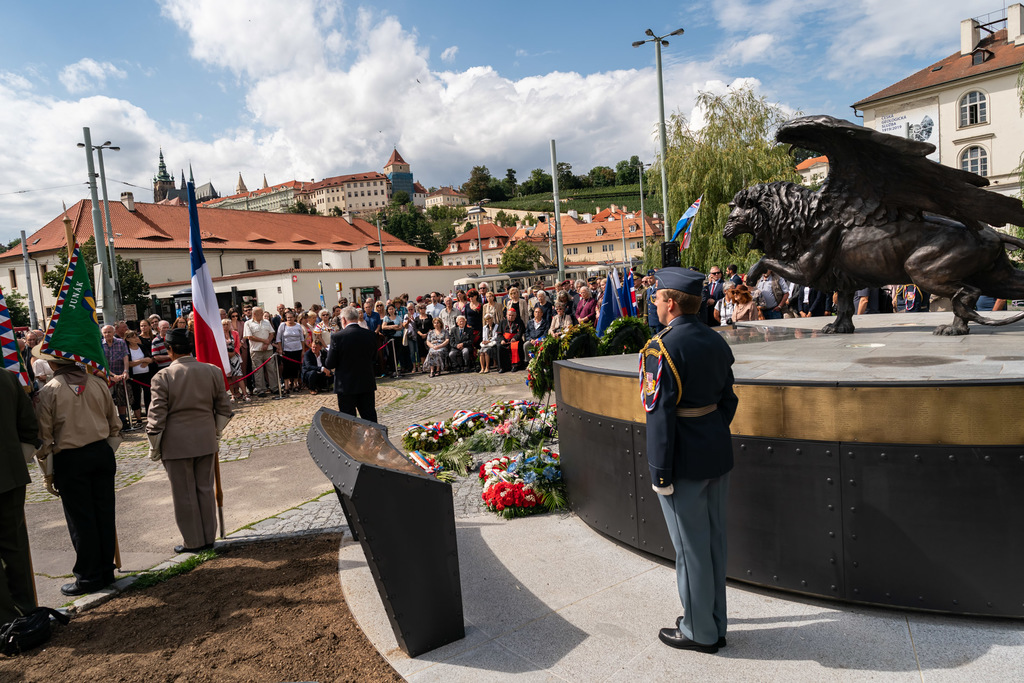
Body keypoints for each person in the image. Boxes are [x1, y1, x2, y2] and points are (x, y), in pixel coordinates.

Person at [640, 268, 737, 654]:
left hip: (682, 462)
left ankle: (699, 631)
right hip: (716, 451)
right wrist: (709, 432)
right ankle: (716, 622)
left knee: (690, 549)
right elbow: (728, 400)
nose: (657, 305)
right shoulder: (714, 341)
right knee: (714, 544)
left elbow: (659, 415)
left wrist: (660, 471)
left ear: (673, 303)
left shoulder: (660, 348)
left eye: (659, 299)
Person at [33, 346, 122, 596]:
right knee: (104, 513)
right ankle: (105, 569)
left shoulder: (49, 391)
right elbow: (115, 424)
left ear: (53, 365)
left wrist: (47, 474)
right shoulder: (97, 383)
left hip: (71, 459)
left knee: (81, 519)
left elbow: (44, 438)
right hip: (101, 453)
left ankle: (88, 577)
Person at [147, 328, 234, 554]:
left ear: (169, 350)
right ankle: (208, 538)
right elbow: (224, 408)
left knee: (184, 493)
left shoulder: (163, 376)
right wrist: (216, 431)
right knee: (204, 489)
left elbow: (157, 417)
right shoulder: (212, 371)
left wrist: (154, 446)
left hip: (176, 444)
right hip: (205, 438)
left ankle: (193, 542)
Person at [0, 367, 40, 623]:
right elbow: (29, 426)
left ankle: (5, 620)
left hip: (10, 473)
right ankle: (26, 609)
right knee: (15, 545)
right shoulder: (5, 377)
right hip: (9, 474)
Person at [324, 306, 379, 422]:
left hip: (346, 385)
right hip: (366, 382)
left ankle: (350, 441)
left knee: (348, 421)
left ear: (343, 320)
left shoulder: (337, 337)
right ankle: (374, 439)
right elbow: (374, 358)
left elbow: (330, 363)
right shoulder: (370, 335)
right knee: (370, 419)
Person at [243, 307, 279, 397]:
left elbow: (272, 333)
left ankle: (274, 388)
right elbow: (249, 336)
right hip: (256, 350)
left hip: (268, 349)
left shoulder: (266, 322)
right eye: (260, 313)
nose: (262, 315)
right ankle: (261, 390)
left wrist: (267, 342)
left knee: (272, 369)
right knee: (258, 370)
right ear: (254, 314)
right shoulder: (248, 323)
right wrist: (264, 341)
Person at [101, 324, 131, 430]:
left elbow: (125, 357)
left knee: (121, 398)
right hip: (106, 376)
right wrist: (111, 375)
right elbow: (101, 363)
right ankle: (112, 421)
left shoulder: (121, 342)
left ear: (114, 332)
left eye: (109, 332)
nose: (107, 334)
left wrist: (125, 371)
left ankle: (123, 419)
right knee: (108, 399)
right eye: (105, 332)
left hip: (120, 374)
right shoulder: (100, 344)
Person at [124, 330, 154, 423]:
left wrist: (146, 361)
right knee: (136, 396)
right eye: (133, 337)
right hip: (134, 377)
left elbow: (151, 358)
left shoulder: (142, 347)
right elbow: (129, 363)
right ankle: (138, 418)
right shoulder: (126, 349)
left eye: (136, 336)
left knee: (148, 395)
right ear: (128, 339)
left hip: (146, 375)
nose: (136, 338)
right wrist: (142, 360)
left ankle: (150, 415)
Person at [275, 310, 304, 392]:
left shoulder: (298, 326)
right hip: (286, 350)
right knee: (286, 368)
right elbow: (278, 338)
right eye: (288, 318)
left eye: (291, 318)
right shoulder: (282, 325)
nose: (289, 319)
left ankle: (295, 384)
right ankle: (287, 386)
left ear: (294, 318)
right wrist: (280, 349)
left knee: (296, 367)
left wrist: (302, 350)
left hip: (297, 349)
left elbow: (302, 339)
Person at [222, 318, 248, 403]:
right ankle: (232, 395)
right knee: (228, 376)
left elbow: (238, 344)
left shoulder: (235, 333)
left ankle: (245, 394)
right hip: (225, 357)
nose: (225, 326)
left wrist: (234, 352)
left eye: (227, 324)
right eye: (224, 324)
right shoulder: (219, 334)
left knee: (239, 375)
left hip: (234, 356)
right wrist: (226, 354)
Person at [497, 305, 527, 373]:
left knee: (515, 346)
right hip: (505, 340)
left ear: (515, 315)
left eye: (512, 315)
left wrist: (514, 338)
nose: (510, 317)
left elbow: (520, 333)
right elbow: (499, 333)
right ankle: (502, 367)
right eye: (509, 315)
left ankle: (515, 366)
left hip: (515, 340)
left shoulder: (519, 321)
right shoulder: (502, 322)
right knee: (499, 347)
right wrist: (502, 340)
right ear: (507, 315)